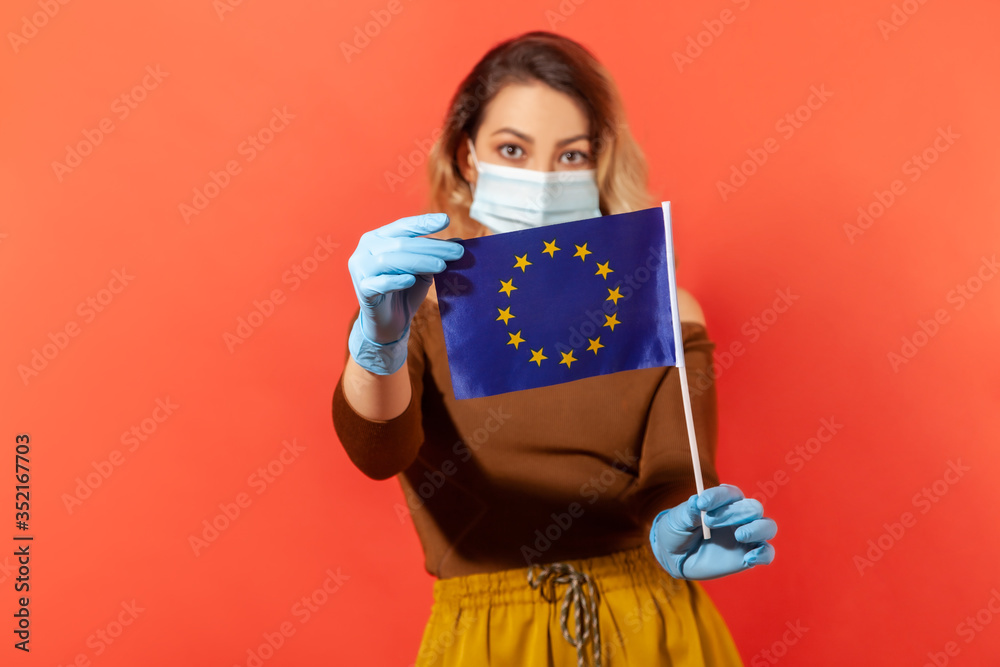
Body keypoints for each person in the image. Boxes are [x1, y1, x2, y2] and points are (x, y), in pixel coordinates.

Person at [332, 31, 777, 667]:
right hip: (488, 643)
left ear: (601, 164)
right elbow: (379, 450)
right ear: (467, 157)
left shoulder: (662, 309)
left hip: (653, 630)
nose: (540, 180)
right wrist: (379, 342)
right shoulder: (410, 308)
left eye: (571, 156)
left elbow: (675, 474)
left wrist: (680, 529)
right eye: (512, 149)